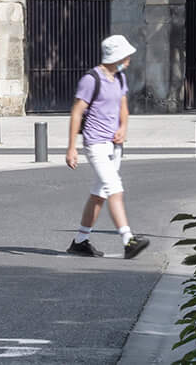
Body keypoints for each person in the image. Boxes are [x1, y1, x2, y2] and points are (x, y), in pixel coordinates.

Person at [66, 33, 149, 259]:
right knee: (115, 188)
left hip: (114, 145)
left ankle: (80, 242)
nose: (129, 59)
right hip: (95, 143)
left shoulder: (120, 79)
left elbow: (124, 107)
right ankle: (128, 240)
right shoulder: (91, 79)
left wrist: (123, 127)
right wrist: (72, 147)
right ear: (116, 56)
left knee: (99, 194)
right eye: (126, 55)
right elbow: (76, 112)